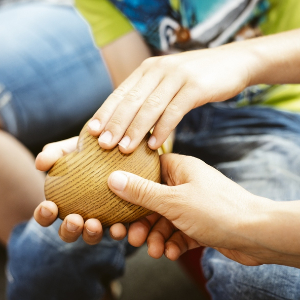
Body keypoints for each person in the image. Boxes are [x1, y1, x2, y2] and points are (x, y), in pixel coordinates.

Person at [33, 0, 300, 299]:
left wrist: (245, 59)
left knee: (260, 283)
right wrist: (141, 145)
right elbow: (133, 85)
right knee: (45, 253)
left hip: (274, 117)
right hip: (167, 126)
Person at [0, 1, 145, 299]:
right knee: (52, 248)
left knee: (55, 247)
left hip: (116, 18)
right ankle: (52, 262)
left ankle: (57, 263)